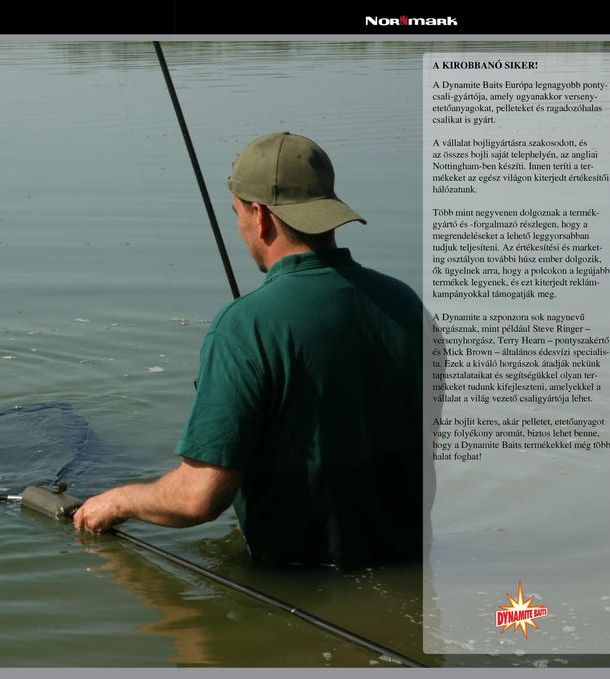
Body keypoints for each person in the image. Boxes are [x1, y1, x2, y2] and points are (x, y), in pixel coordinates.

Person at [74, 132, 427, 568]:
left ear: (260, 217)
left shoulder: (242, 328)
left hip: (303, 579)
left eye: (238, 213)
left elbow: (197, 500)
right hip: (414, 560)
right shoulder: (406, 303)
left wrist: (120, 501)